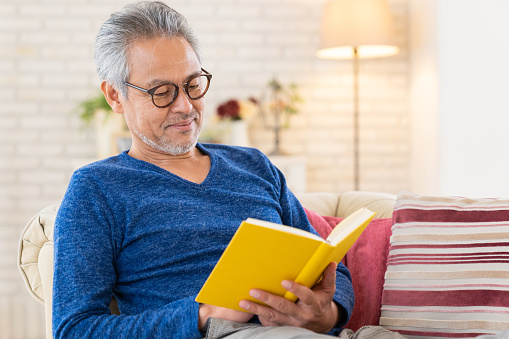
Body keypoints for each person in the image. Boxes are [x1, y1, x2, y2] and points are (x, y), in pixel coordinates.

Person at [52, 2, 406, 339]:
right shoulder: (97, 188)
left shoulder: (254, 165)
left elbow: (330, 265)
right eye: (162, 92)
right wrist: (203, 315)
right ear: (115, 96)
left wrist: (325, 314)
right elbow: (75, 329)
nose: (185, 106)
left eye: (193, 84)